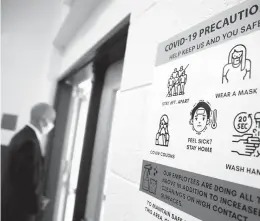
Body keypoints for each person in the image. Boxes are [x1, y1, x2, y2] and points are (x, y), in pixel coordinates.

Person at [2, 103, 56, 221]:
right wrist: (36, 203)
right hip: (20, 210)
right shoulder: (30, 143)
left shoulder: (20, 136)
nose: (52, 125)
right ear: (43, 120)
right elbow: (28, 180)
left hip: (13, 205)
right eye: (52, 120)